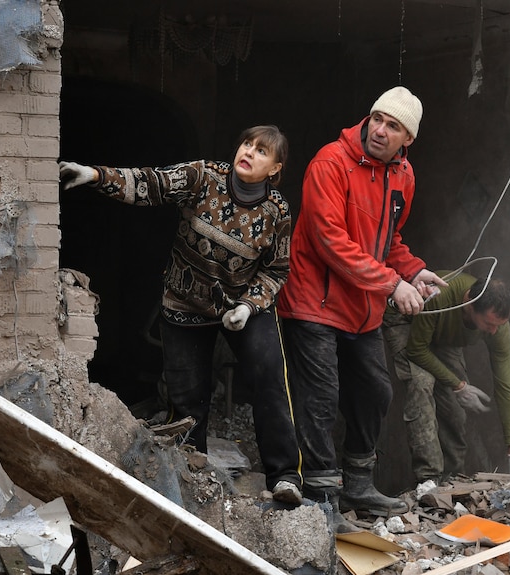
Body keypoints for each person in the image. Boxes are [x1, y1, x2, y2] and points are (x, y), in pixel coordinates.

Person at [57, 126, 303, 504]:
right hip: (185, 303)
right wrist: (93, 175)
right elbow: (150, 184)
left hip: (242, 305)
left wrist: (248, 306)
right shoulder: (203, 176)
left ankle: (285, 476)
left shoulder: (278, 212)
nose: (249, 152)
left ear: (275, 168)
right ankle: (195, 481)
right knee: (187, 400)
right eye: (247, 144)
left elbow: (276, 270)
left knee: (270, 375)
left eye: (262, 151)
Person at [277, 86, 447, 530]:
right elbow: (330, 241)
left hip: (361, 307)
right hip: (314, 300)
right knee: (321, 398)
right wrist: (392, 284)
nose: (381, 130)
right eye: (377, 119)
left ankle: (358, 482)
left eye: (393, 126)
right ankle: (322, 496)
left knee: (376, 391)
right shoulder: (330, 162)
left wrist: (413, 271)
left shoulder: (403, 177)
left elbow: (388, 241)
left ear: (408, 138)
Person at [382, 272, 510, 485]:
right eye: (489, 324)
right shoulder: (440, 296)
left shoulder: (497, 326)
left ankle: (452, 480)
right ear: (469, 303)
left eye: (499, 324)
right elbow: (417, 350)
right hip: (407, 319)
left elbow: (505, 385)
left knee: (456, 411)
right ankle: (429, 481)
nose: (493, 331)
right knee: (422, 384)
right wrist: (458, 385)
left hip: (443, 335)